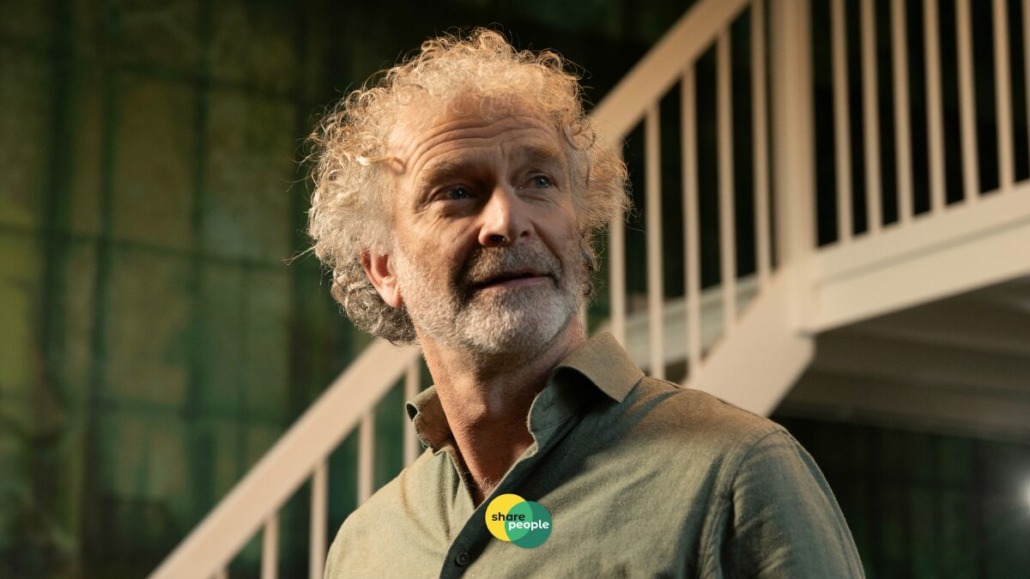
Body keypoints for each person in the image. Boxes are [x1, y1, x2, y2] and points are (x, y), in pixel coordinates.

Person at [307, 28, 864, 578]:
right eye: (456, 192)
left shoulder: (739, 471)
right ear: (384, 269)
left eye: (539, 182)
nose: (508, 221)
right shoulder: (364, 547)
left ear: (581, 230)